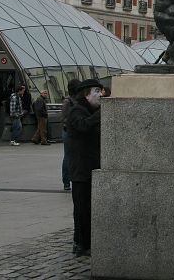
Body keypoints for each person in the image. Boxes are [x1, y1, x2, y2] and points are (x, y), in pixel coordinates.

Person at [67, 78, 103, 257]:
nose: (100, 95)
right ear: (86, 94)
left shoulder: (90, 110)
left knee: (89, 207)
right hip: (81, 169)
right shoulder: (77, 110)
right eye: (96, 91)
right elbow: (83, 126)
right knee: (81, 208)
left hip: (92, 167)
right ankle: (80, 243)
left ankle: (87, 241)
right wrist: (100, 114)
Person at [61, 79, 81, 191]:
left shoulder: (77, 99)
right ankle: (66, 181)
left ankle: (74, 179)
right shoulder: (68, 101)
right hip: (68, 131)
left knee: (74, 156)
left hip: (75, 130)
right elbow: (64, 116)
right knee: (68, 157)